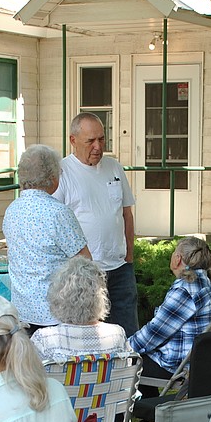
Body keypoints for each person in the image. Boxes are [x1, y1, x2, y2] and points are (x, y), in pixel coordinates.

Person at [53, 112, 139, 336]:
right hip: (84, 273)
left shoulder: (114, 167)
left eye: (101, 139)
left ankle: (129, 371)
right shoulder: (62, 173)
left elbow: (126, 214)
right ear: (73, 141)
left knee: (127, 333)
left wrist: (129, 257)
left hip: (120, 269)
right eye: (90, 141)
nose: (98, 147)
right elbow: (55, 224)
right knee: (89, 336)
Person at [3, 144, 90, 331]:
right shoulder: (58, 213)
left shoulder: (11, 210)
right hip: (56, 312)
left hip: (21, 310)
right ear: (52, 177)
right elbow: (85, 261)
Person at [127, 236, 211, 390]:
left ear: (177, 259)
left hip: (177, 366)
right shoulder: (207, 284)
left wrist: (122, 349)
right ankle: (149, 409)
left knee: (127, 363)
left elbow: (154, 333)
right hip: (197, 360)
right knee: (141, 357)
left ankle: (140, 410)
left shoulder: (185, 290)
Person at [31, 256, 129, 362]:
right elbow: (126, 370)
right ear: (101, 296)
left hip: (62, 379)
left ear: (58, 296)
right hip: (105, 379)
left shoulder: (44, 339)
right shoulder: (117, 335)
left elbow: (27, 376)